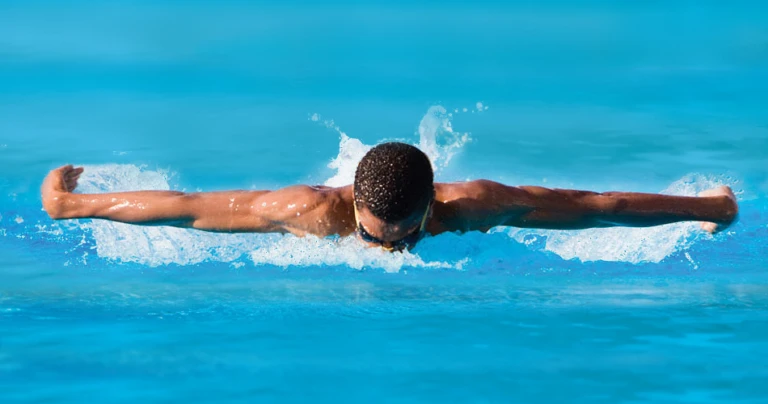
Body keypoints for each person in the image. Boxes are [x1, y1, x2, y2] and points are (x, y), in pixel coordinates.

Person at [41, 142, 738, 252]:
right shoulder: (311, 212)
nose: (391, 250)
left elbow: (598, 207)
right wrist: (71, 205)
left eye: (403, 233)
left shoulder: (473, 206)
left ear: (431, 206)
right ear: (352, 206)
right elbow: (188, 206)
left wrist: (712, 208)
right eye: (377, 235)